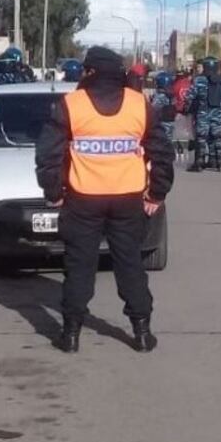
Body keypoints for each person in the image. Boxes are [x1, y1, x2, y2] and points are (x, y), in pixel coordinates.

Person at [35, 46, 174, 354]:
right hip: (127, 200)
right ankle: (141, 332)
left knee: (79, 266)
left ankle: (70, 335)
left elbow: (48, 154)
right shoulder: (140, 105)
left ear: (90, 72)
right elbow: (162, 152)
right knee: (129, 265)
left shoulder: (71, 105)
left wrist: (54, 192)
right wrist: (157, 193)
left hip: (84, 199)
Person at [183, 56, 221, 172]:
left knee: (201, 137)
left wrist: (187, 108)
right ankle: (220, 163)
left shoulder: (199, 80)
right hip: (218, 112)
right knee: (217, 137)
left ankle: (199, 163)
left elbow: (190, 96)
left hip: (203, 112)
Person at [149, 72, 177, 143]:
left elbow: (153, 109)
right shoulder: (171, 95)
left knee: (161, 142)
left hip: (162, 123)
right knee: (168, 141)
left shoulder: (160, 96)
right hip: (171, 122)